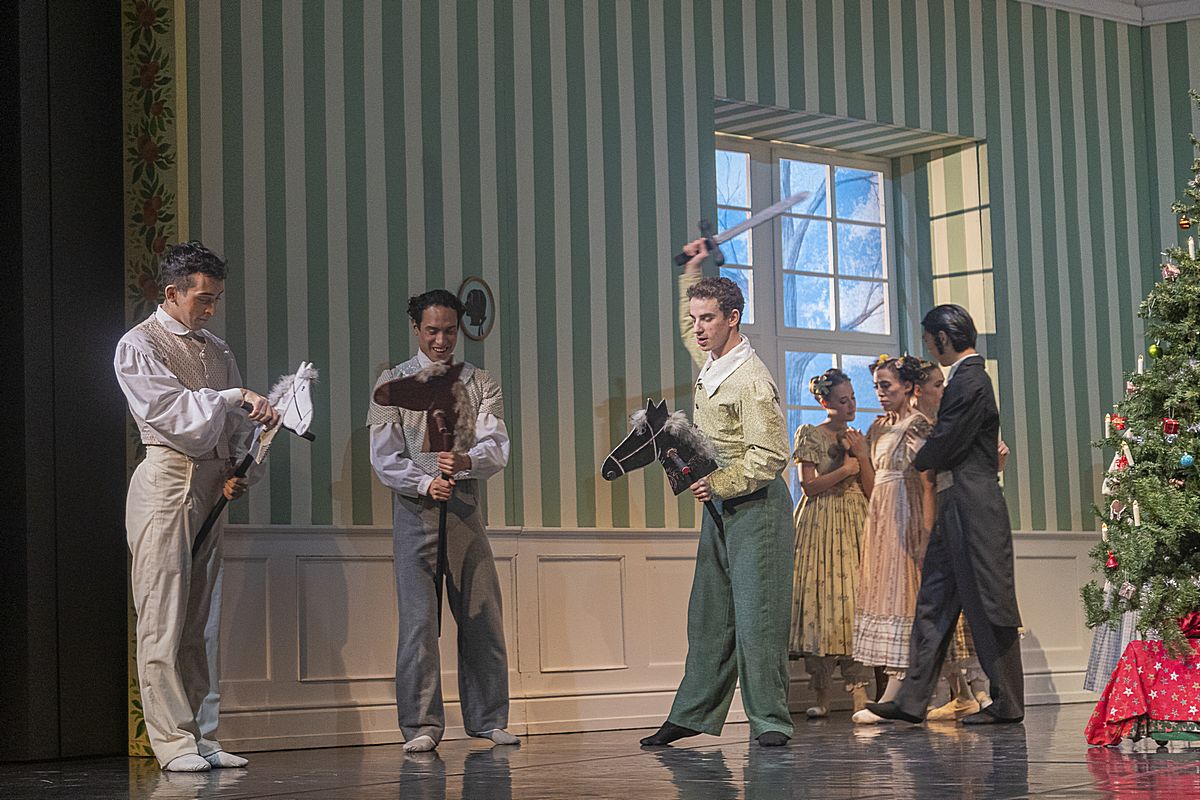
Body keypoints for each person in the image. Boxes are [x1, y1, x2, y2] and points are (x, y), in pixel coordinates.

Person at [115, 241, 280, 771]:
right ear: (172, 293)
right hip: (166, 482)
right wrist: (235, 398)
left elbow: (231, 426)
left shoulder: (216, 349)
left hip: (210, 482)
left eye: (216, 299)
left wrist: (243, 461)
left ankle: (203, 734)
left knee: (199, 620)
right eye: (203, 299)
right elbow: (173, 414)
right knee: (162, 616)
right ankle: (173, 742)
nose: (210, 309)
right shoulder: (138, 345)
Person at [640, 238, 794, 748]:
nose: (699, 328)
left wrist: (718, 484)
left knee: (758, 619)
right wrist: (691, 268)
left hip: (757, 507)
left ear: (733, 318)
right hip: (722, 506)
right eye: (695, 318)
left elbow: (771, 455)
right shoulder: (714, 361)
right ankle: (692, 714)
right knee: (710, 615)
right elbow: (690, 332)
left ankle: (770, 720)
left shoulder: (751, 380)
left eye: (707, 318)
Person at [367, 289, 518, 752]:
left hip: (465, 505)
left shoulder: (479, 381)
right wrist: (423, 482)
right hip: (414, 508)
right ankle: (421, 725)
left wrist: (467, 461)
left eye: (449, 331)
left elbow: (496, 446)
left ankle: (488, 719)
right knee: (418, 620)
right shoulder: (391, 383)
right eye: (432, 330)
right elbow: (384, 456)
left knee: (481, 613)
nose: (441, 340)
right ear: (416, 328)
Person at [867, 304, 1025, 725]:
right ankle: (911, 700)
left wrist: (922, 455)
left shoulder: (971, 379)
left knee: (989, 603)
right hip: (957, 501)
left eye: (928, 340)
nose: (928, 348)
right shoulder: (965, 380)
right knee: (934, 599)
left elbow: (949, 440)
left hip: (973, 505)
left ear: (942, 338)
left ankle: (1007, 702)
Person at [849, 355, 936, 724]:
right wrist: (861, 456)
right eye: (877, 387)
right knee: (883, 593)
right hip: (881, 516)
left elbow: (928, 481)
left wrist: (926, 532)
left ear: (908, 387)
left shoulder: (918, 425)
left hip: (905, 513)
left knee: (903, 594)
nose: (880, 393)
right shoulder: (879, 427)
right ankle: (897, 693)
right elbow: (872, 484)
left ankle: (898, 694)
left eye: (887, 386)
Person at [789, 368, 874, 718]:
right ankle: (822, 694)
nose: (851, 406)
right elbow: (809, 486)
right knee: (821, 602)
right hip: (821, 519)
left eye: (853, 398)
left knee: (854, 601)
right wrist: (844, 469)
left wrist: (861, 458)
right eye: (843, 400)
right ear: (824, 402)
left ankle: (860, 693)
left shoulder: (858, 437)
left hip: (855, 519)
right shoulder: (811, 434)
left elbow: (870, 488)